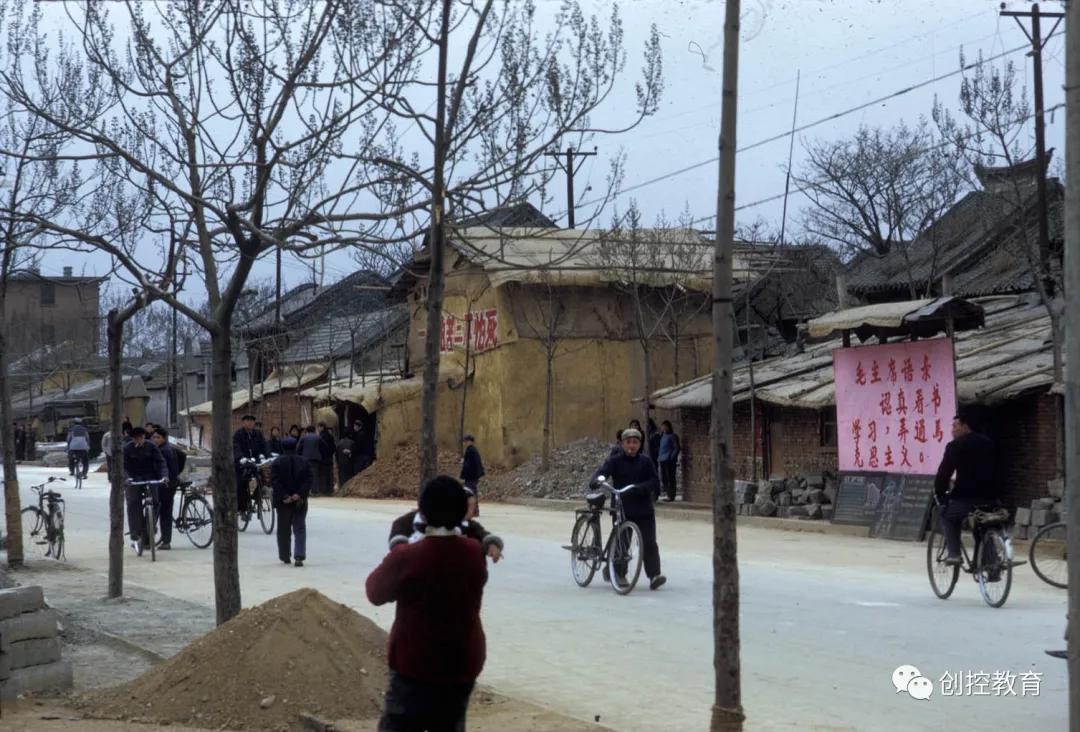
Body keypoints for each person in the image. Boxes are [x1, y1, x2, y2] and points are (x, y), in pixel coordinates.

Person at [366, 476, 488, 732]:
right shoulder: (473, 554)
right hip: (462, 663)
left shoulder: (409, 557)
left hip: (415, 664)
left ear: (422, 511)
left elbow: (375, 592)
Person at [591, 428, 667, 590]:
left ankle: (654, 575)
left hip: (644, 508)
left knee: (649, 542)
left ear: (640, 444)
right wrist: (596, 480)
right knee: (622, 543)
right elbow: (601, 472)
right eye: (628, 442)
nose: (632, 445)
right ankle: (619, 573)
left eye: (635, 442)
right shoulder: (615, 461)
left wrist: (640, 488)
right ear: (622, 443)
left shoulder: (646, 461)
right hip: (622, 507)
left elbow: (654, 481)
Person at [934, 411, 998, 565]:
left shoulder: (955, 446)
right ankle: (991, 563)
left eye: (955, 426)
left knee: (948, 516)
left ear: (965, 426)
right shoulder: (989, 443)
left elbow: (944, 473)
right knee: (983, 523)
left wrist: (940, 493)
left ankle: (954, 554)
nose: (952, 430)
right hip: (991, 497)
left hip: (966, 497)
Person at [389, 485, 503, 562]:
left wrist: (491, 543)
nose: (472, 511)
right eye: (468, 506)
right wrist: (401, 549)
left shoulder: (467, 525)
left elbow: (481, 533)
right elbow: (399, 527)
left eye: (473, 506)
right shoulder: (421, 518)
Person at [123, 427, 168, 554]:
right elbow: (123, 466)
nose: (139, 440)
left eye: (141, 437)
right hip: (134, 478)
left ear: (144, 437)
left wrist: (164, 476)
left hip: (150, 476)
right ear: (133, 438)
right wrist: (127, 478)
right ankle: (135, 533)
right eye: (136, 438)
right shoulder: (127, 449)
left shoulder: (151, 446)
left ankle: (151, 525)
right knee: (133, 503)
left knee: (155, 501)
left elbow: (161, 462)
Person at [270, 437, 312, 567]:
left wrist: (285, 495)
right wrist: (298, 494)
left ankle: (285, 556)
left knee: (283, 529)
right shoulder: (304, 462)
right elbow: (309, 480)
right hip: (300, 500)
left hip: (283, 501)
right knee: (299, 527)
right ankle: (299, 555)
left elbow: (275, 482)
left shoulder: (276, 463)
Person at [233, 414, 268, 514]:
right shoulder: (238, 434)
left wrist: (264, 455)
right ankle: (242, 507)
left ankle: (257, 496)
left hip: (255, 461)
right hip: (242, 462)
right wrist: (240, 457)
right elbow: (236, 447)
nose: (250, 423)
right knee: (241, 483)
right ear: (243, 422)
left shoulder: (258, 434)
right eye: (247, 421)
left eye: (252, 421)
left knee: (262, 478)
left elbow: (264, 446)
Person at [151, 429, 181, 550]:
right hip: (170, 483)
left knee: (163, 512)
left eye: (158, 437)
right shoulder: (169, 448)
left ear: (164, 438)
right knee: (164, 511)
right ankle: (164, 539)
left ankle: (165, 541)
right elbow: (182, 456)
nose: (155, 440)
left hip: (166, 484)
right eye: (154, 437)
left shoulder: (163, 450)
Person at [658, 420, 681, 502]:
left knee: (670, 477)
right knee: (664, 478)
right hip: (662, 459)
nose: (663, 428)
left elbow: (677, 448)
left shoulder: (673, 436)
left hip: (669, 460)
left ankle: (671, 495)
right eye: (662, 426)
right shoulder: (662, 436)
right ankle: (667, 493)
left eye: (665, 426)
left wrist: (671, 457)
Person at [297, 425, 324, 495]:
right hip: (315, 459)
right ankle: (314, 491)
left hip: (305, 458)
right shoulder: (318, 437)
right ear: (314, 430)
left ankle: (306, 490)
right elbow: (324, 447)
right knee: (315, 474)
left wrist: (300, 456)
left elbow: (298, 448)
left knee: (305, 475)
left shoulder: (303, 438)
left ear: (307, 430)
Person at [460, 434, 485, 508]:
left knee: (470, 492)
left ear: (470, 441)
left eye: (466, 441)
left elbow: (470, 465)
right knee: (472, 492)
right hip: (473, 476)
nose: (464, 443)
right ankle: (474, 510)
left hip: (471, 476)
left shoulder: (471, 451)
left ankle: (473, 509)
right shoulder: (472, 450)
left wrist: (463, 462)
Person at [317, 423, 336, 494]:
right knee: (330, 474)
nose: (318, 429)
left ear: (322, 427)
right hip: (329, 458)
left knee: (323, 474)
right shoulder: (330, 436)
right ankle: (330, 489)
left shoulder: (320, 437)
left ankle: (323, 490)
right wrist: (330, 453)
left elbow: (319, 448)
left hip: (322, 458)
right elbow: (334, 447)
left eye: (319, 427)